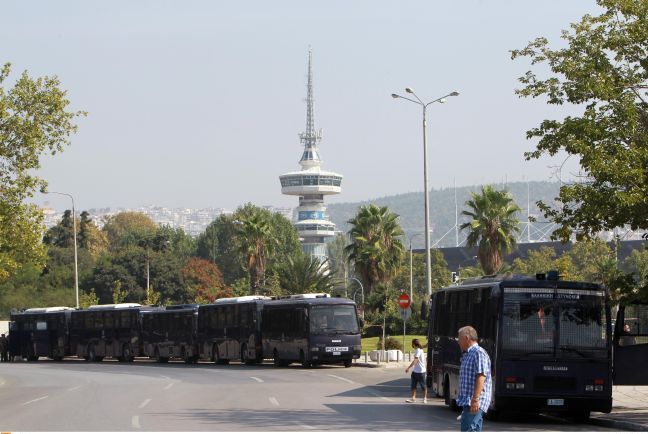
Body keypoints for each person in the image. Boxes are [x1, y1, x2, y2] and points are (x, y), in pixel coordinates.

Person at [457, 326, 492, 432]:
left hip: (475, 401)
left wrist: (475, 399)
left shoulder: (478, 353)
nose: (458, 341)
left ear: (467, 338)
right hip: (468, 401)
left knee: (468, 430)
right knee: (473, 430)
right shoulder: (468, 354)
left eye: (459, 338)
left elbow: (481, 376)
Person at [404, 338, 427, 403]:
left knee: (423, 386)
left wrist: (408, 367)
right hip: (415, 371)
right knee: (413, 386)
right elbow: (424, 346)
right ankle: (413, 398)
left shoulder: (418, 350)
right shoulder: (420, 349)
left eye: (412, 343)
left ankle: (425, 398)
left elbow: (415, 360)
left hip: (421, 371)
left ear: (413, 344)